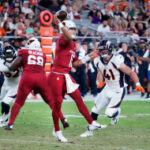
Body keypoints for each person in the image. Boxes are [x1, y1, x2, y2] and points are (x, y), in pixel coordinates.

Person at [47, 13, 104, 142]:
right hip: (56, 75)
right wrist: (60, 24)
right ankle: (57, 131)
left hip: (65, 75)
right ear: (66, 28)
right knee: (57, 105)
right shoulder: (62, 39)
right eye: (71, 29)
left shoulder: (72, 44)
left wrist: (89, 56)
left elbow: (76, 63)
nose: (73, 32)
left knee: (78, 98)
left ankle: (91, 122)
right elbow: (66, 36)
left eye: (74, 29)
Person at [0, 37, 69, 130]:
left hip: (27, 78)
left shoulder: (24, 52)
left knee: (18, 103)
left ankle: (10, 124)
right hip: (41, 78)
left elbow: (13, 66)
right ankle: (63, 119)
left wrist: (11, 66)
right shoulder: (43, 55)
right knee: (51, 101)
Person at [81, 40, 145, 137]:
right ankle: (89, 131)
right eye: (101, 50)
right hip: (107, 88)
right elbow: (100, 71)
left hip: (118, 89)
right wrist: (99, 82)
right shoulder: (97, 61)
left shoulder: (116, 60)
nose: (102, 52)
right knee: (94, 111)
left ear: (110, 49)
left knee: (109, 113)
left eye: (104, 50)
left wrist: (138, 84)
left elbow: (131, 72)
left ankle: (117, 112)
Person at [0, 45, 20, 127]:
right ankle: (5, 119)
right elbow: (3, 69)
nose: (8, 56)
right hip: (6, 84)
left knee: (5, 102)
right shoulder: (1, 61)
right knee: (2, 102)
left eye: (10, 54)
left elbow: (9, 68)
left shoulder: (19, 60)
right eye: (7, 54)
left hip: (15, 86)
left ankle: (7, 121)